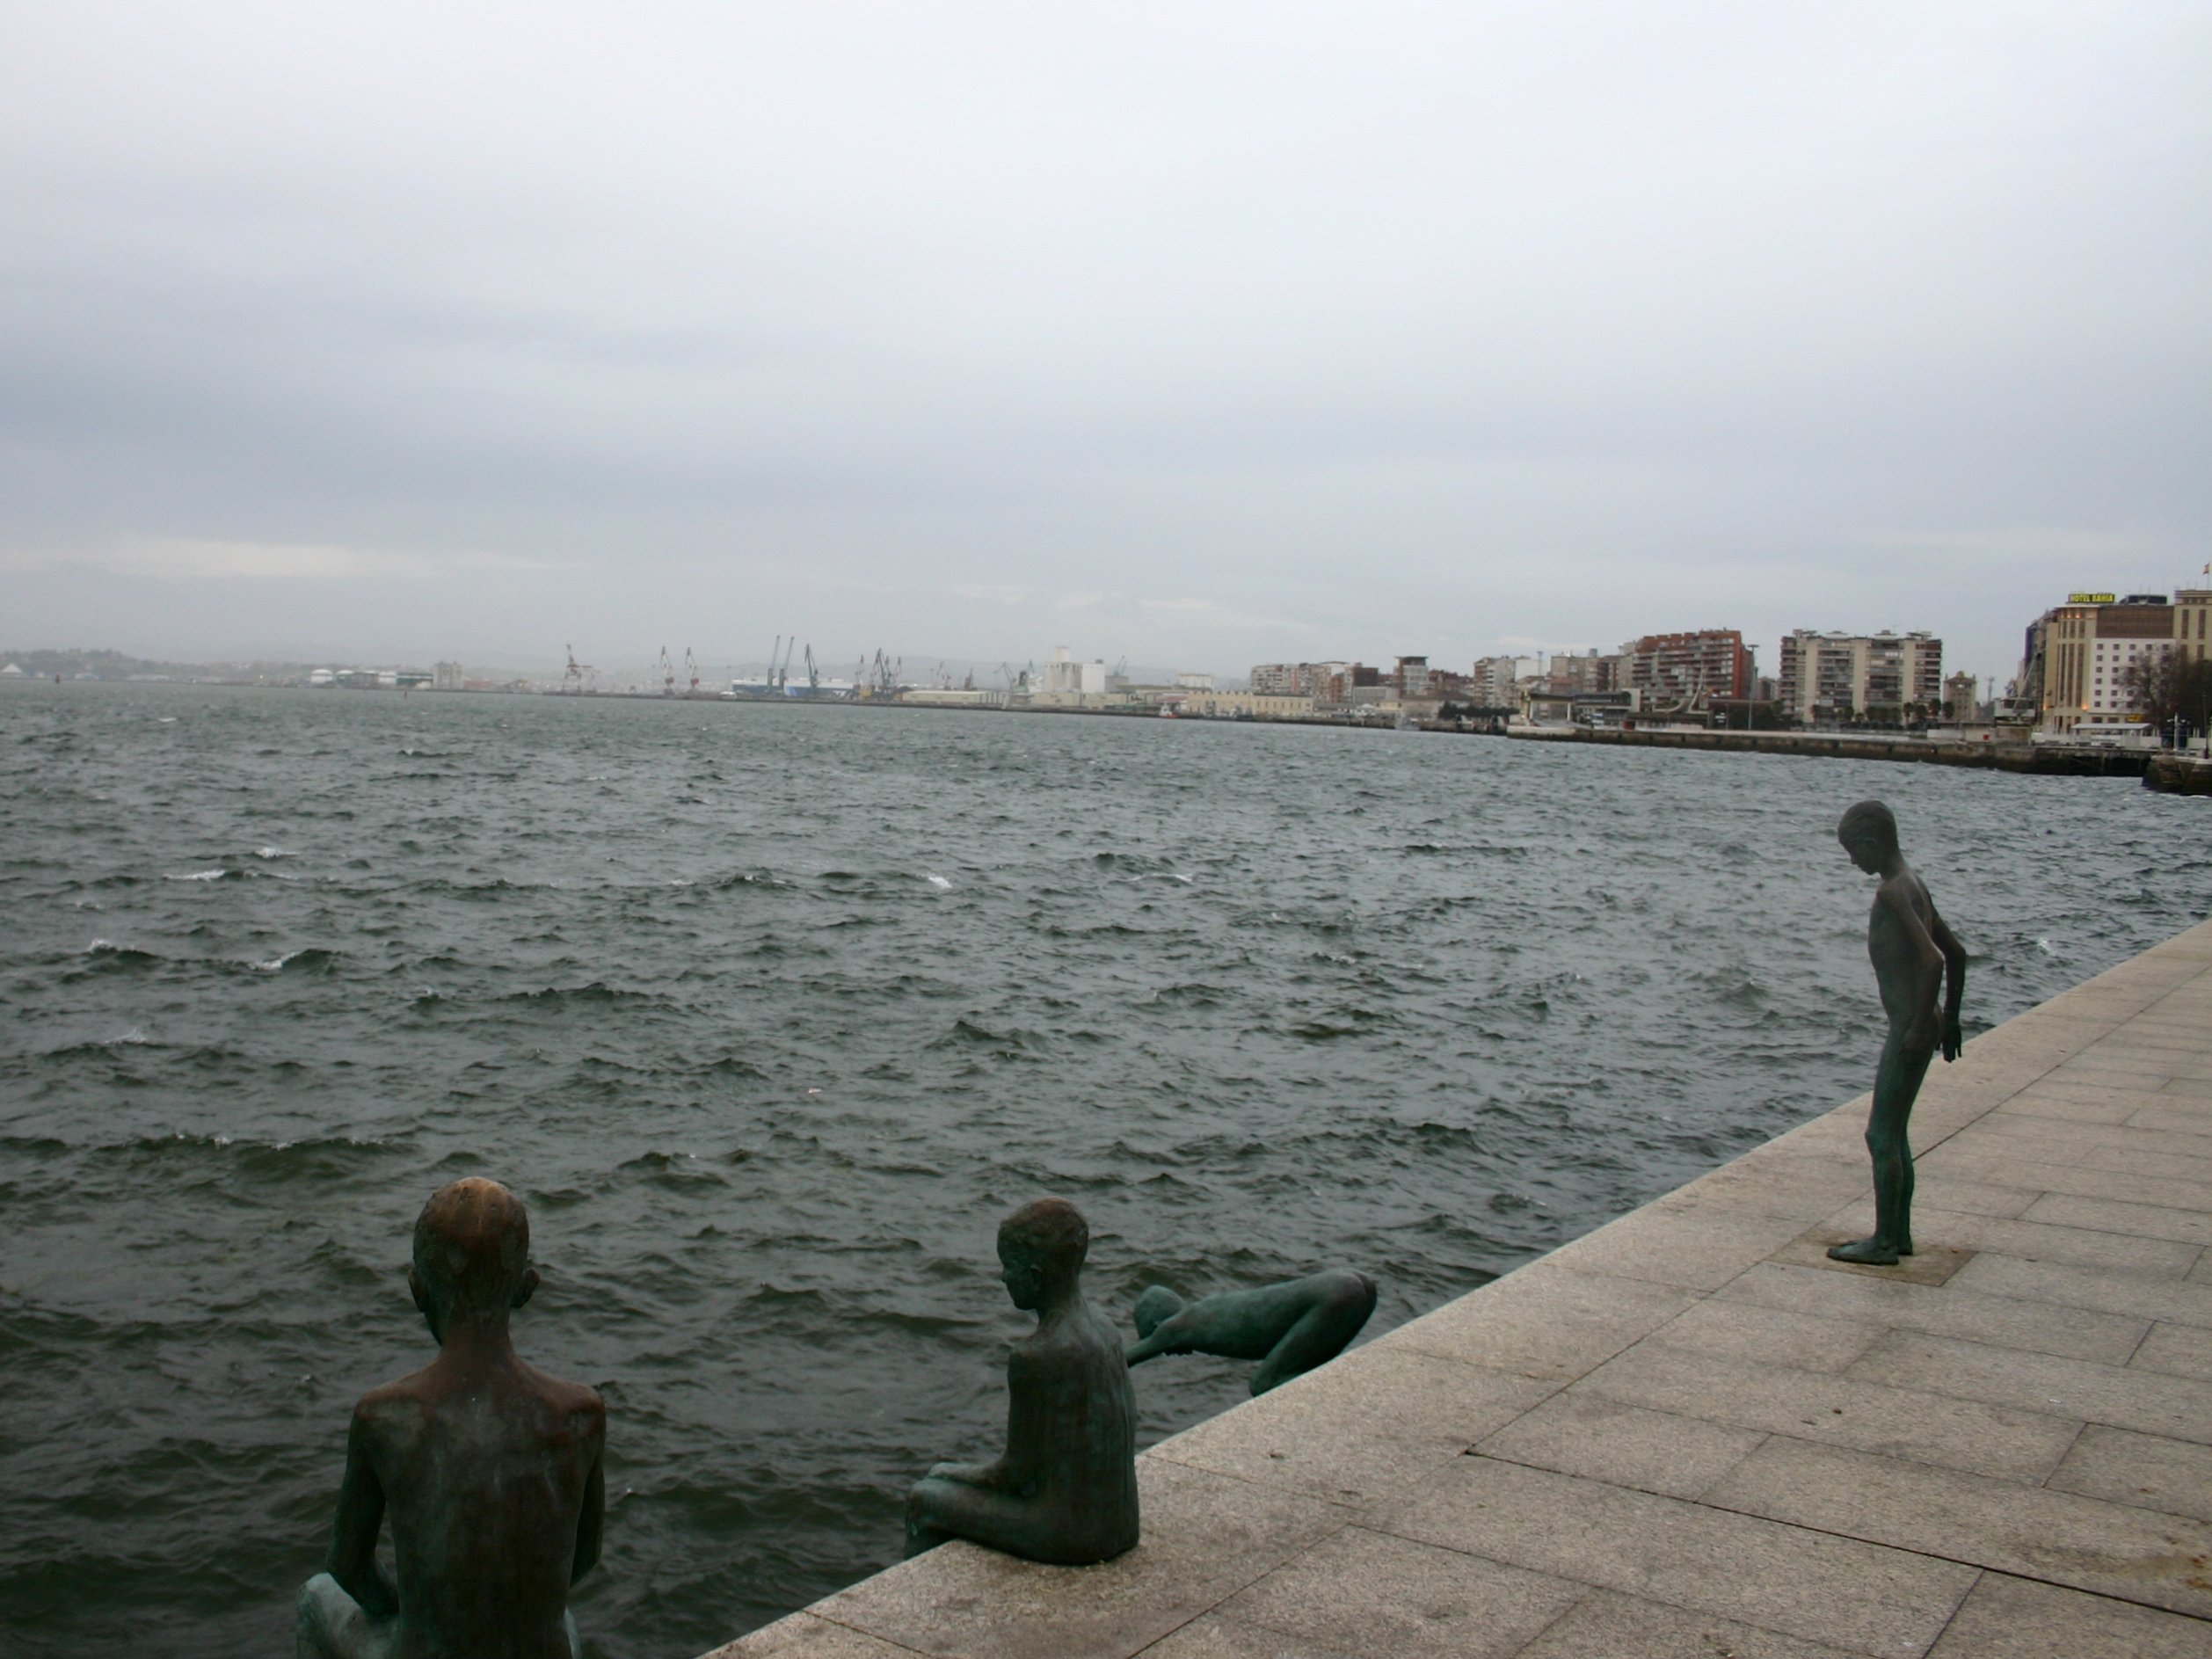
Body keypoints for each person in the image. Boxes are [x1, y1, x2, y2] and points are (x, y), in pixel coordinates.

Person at [297, 1179, 606, 1659]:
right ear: (527, 1287)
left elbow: (348, 1567)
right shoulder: (582, 1413)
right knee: (559, 1617)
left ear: (417, 1290)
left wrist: (417, 1608)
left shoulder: (384, 1416)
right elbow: (582, 1558)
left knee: (317, 1594)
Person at [904, 1198, 1139, 1565]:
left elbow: (1014, 1474)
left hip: (1072, 1535)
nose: (1002, 1278)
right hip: (1122, 1524)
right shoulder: (1106, 1331)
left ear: (1035, 1276)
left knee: (924, 1498)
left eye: (1007, 1267)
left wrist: (951, 1472)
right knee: (941, 1482)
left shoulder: (1037, 1356)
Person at [1828, 800, 1968, 1267]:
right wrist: (1951, 1018)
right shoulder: (1915, 883)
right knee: (1895, 1131)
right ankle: (1898, 1234)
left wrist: (1917, 1024)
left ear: (1872, 843)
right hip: (1926, 1024)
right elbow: (1958, 951)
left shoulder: (1892, 891)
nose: (1853, 862)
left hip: (1909, 1027)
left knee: (1880, 1134)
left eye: (1853, 852)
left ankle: (1886, 1240)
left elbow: (1934, 960)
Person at [1124, 1270, 1376, 1395]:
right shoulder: (1205, 1310)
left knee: (1262, 1384)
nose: (1171, 1354)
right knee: (1309, 1372)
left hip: (1332, 1293)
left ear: (1157, 1324)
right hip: (1350, 1284)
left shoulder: (1175, 1326)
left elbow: (1122, 1361)